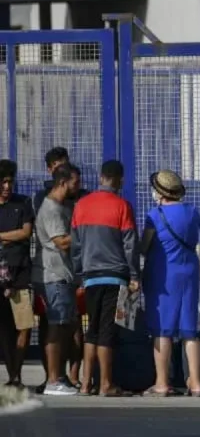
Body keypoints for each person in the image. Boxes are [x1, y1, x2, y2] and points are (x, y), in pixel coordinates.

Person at [72, 160, 140, 397]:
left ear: (101, 177)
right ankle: (106, 384)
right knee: (107, 330)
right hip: (114, 276)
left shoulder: (81, 205)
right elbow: (129, 244)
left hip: (90, 277)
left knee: (91, 329)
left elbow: (76, 245)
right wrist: (134, 275)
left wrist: (79, 274)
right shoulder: (123, 206)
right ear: (120, 180)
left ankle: (85, 383)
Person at [141, 170, 200, 397]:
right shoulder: (192, 211)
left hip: (163, 273)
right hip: (189, 271)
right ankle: (196, 383)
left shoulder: (154, 215)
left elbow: (144, 246)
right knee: (190, 330)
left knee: (163, 330)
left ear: (159, 192)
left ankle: (161, 382)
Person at [32, 148, 88, 393]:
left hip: (65, 275)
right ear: (63, 182)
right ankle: (54, 379)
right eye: (76, 182)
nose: (79, 187)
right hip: (53, 275)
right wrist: (87, 236)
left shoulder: (64, 205)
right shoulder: (52, 208)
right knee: (56, 326)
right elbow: (62, 242)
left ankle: (62, 377)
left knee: (66, 325)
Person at [0, 159, 34, 388]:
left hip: (21, 272)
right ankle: (12, 374)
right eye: (2, 182)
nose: (6, 186)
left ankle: (17, 374)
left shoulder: (23, 203)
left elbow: (26, 232)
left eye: (10, 182)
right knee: (4, 328)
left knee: (24, 324)